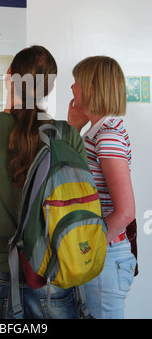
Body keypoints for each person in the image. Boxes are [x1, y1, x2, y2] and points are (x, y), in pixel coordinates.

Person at [0, 45, 88, 319]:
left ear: (9, 76)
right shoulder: (67, 134)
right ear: (50, 87)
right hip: (52, 273)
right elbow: (81, 206)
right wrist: (71, 133)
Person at [68, 55, 137, 319]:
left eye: (76, 82)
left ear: (92, 87)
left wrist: (87, 248)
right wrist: (74, 126)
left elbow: (125, 212)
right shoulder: (97, 131)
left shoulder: (107, 135)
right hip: (101, 256)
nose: (72, 88)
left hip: (104, 258)